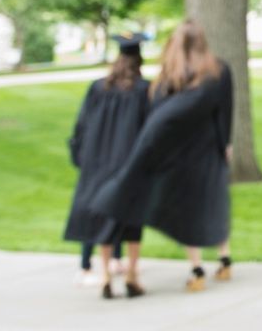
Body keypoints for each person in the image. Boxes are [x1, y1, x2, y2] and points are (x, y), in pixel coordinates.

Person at [94, 19, 234, 293]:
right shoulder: (218, 70)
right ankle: (224, 259)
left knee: (188, 207)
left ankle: (196, 269)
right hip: (207, 147)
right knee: (213, 203)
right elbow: (225, 110)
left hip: (181, 151)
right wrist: (225, 144)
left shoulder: (169, 75)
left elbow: (158, 113)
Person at [64, 32, 148, 299]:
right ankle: (132, 275)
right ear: (140, 59)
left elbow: (82, 126)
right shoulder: (145, 90)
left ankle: (106, 276)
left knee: (103, 219)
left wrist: (81, 158)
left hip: (99, 164)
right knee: (133, 221)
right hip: (131, 165)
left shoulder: (98, 88)